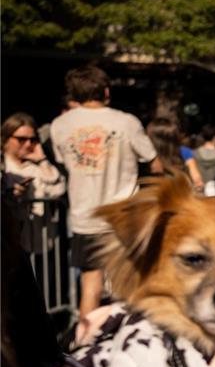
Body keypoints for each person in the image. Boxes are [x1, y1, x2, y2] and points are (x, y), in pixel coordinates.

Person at [50, 64, 161, 322]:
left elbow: (63, 162)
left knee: (91, 285)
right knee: (128, 282)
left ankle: (86, 345)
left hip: (83, 216)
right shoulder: (126, 122)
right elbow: (154, 162)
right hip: (122, 217)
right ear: (106, 91)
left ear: (73, 93)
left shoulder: (60, 125)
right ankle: (127, 341)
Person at [2, 113, 67, 253]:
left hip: (38, 244)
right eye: (21, 139)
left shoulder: (36, 168)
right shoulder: (3, 168)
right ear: (6, 139)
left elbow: (59, 189)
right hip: (9, 246)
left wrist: (42, 159)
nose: (28, 144)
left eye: (33, 140)